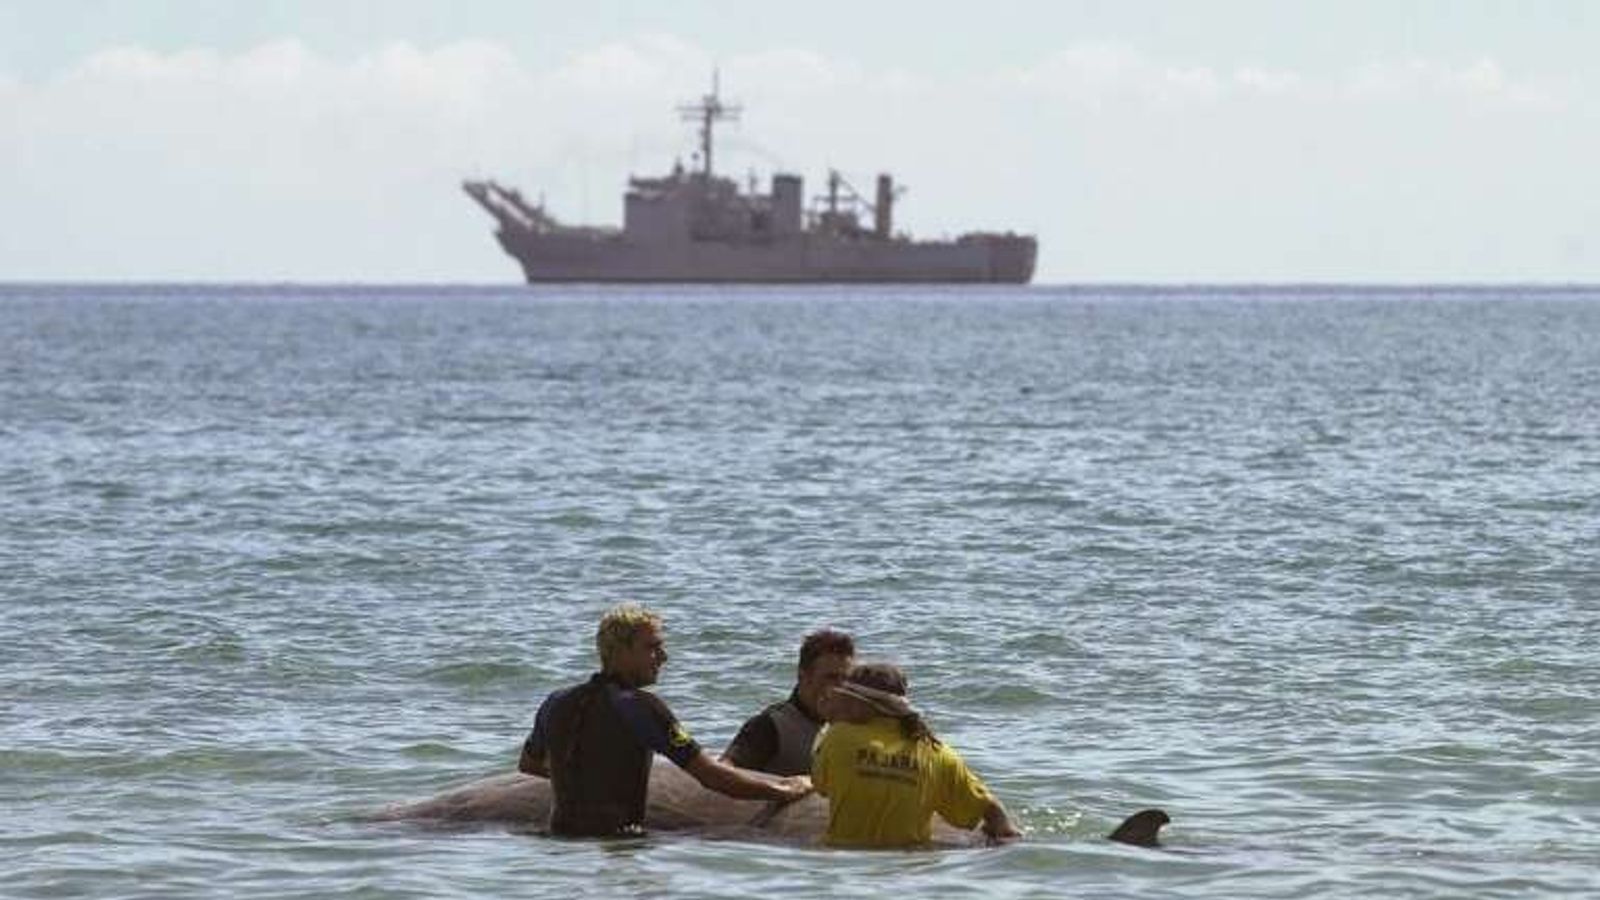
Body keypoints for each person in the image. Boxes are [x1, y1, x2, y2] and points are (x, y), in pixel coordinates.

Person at [518, 603, 812, 837]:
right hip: (617, 843)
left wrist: (585, 779)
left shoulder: (555, 702)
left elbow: (528, 765)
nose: (664, 657)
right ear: (619, 652)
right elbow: (711, 777)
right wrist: (783, 790)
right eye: (652, 647)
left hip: (560, 845)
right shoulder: (639, 708)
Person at [812, 662, 1020, 848]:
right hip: (911, 868)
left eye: (847, 701)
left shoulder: (838, 736)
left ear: (865, 704)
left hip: (846, 863)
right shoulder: (938, 752)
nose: (844, 707)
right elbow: (991, 809)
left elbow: (821, 785)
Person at [721, 628, 855, 776]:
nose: (840, 688)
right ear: (802, 676)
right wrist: (781, 789)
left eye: (846, 679)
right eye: (830, 678)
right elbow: (723, 774)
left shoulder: (855, 725)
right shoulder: (769, 726)